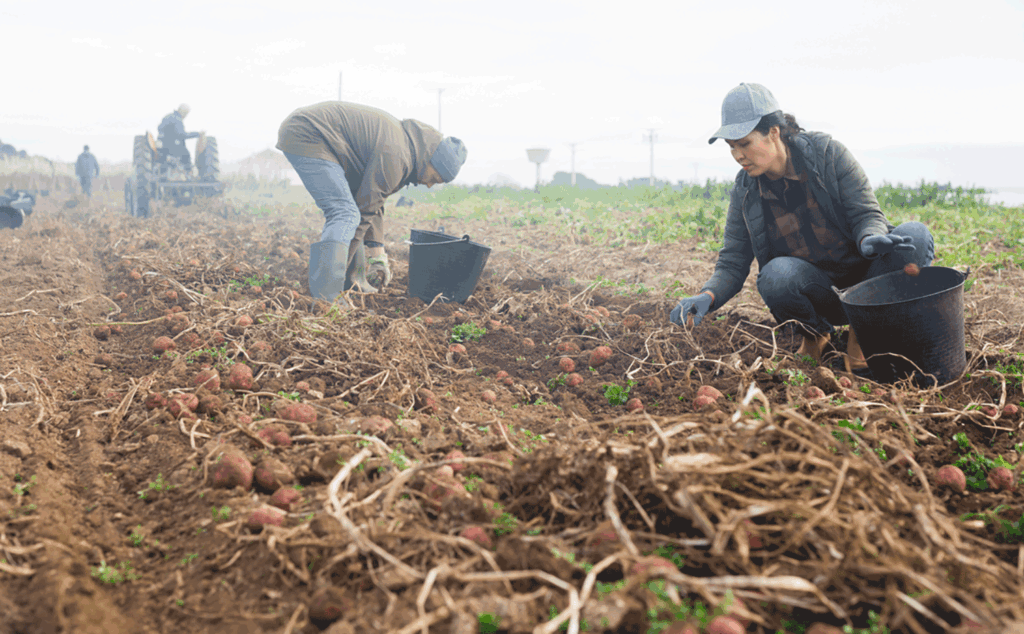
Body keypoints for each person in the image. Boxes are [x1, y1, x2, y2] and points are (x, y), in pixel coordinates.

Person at [669, 83, 934, 372]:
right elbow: (733, 261)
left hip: (869, 282)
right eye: (731, 147)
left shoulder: (828, 155)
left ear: (774, 132)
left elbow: (866, 213)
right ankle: (815, 336)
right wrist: (708, 296)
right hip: (820, 292)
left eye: (744, 143)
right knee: (775, 275)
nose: (738, 155)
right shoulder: (745, 191)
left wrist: (871, 237)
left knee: (915, 236)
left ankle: (860, 342)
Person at [276, 101, 467, 302]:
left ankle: (352, 281)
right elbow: (365, 211)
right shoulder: (398, 155)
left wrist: (378, 255)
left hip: (319, 137)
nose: (429, 185)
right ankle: (326, 293)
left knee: (353, 212)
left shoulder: (406, 152)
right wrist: (336, 277)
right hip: (309, 134)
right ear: (431, 160)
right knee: (346, 213)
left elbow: (373, 200)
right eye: (434, 178)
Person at [158, 104, 201, 169]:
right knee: (186, 155)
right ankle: (188, 172)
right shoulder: (178, 120)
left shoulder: (167, 116)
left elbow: (159, 128)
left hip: (163, 146)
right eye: (186, 114)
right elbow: (182, 135)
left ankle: (163, 168)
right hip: (174, 147)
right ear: (183, 112)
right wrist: (197, 134)